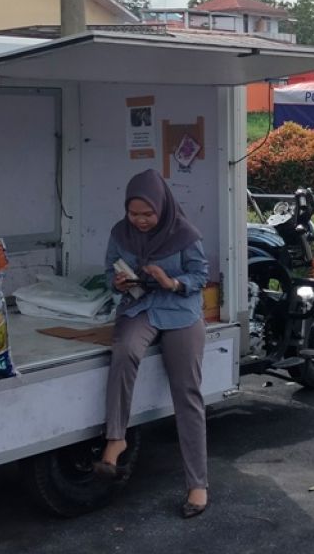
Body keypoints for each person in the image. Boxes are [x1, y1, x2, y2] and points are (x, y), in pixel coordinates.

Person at [98, 168, 210, 518]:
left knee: (186, 392)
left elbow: (200, 275)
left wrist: (171, 281)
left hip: (180, 310)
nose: (141, 221)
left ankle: (197, 484)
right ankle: (116, 438)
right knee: (124, 351)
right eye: (134, 214)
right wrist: (117, 282)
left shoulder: (185, 232)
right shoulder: (120, 232)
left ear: (162, 207)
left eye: (148, 214)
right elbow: (106, 271)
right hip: (141, 306)